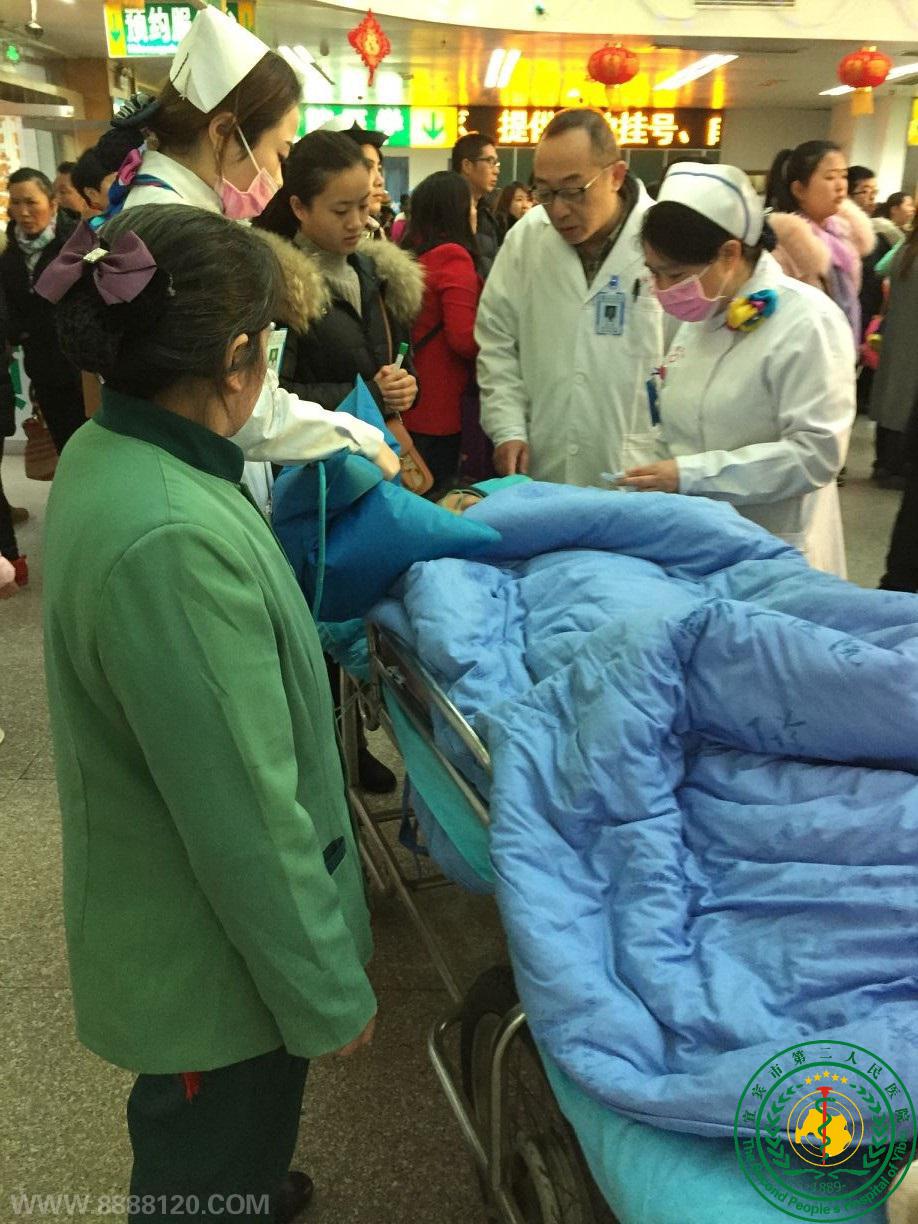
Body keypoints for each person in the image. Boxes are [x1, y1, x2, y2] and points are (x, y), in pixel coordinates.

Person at [37, 204, 377, 1223]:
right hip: (215, 963)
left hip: (182, 906)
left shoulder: (119, 448)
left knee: (229, 1150)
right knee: (204, 1160)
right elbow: (247, 819)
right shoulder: (171, 539)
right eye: (267, 348)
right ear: (236, 361)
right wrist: (327, 991)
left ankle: (243, 1184)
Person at [91, 5, 397, 480]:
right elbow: (243, 408)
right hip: (192, 470)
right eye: (279, 152)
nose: (278, 175)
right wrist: (356, 436)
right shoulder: (186, 237)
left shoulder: (166, 208)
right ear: (224, 133)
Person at [254, 129, 423, 792]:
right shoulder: (280, 287)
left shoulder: (373, 273)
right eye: (340, 209)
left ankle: (357, 736)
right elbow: (269, 394)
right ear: (299, 208)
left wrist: (403, 387)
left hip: (367, 471)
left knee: (367, 606)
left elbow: (389, 363)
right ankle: (328, 752)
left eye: (365, 205)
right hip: (311, 480)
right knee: (318, 617)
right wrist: (360, 398)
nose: (357, 222)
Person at [619, 163, 854, 577]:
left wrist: (691, 475)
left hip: (775, 543)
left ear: (729, 254)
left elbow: (815, 455)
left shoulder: (807, 321)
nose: (663, 289)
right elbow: (676, 425)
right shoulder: (699, 317)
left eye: (675, 274)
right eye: (654, 273)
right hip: (697, 540)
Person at [476, 107, 664, 486]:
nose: (559, 210)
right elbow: (497, 338)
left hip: (637, 465)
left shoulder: (662, 240)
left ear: (616, 176)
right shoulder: (528, 237)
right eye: (545, 192)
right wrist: (508, 426)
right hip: (543, 455)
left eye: (574, 191)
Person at [401, 170, 483, 495]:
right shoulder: (453, 256)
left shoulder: (415, 256)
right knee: (440, 496)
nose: (475, 212)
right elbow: (463, 338)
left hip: (412, 403)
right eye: (472, 205)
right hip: (441, 408)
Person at [1, 168, 86, 454]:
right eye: (15, 203)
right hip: (41, 365)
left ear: (52, 203)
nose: (23, 212)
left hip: (81, 364)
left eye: (31, 202)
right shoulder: (7, 250)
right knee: (65, 445)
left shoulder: (75, 241)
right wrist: (18, 331)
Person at [765, 140, 875, 342]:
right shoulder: (783, 245)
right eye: (830, 177)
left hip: (843, 345)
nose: (841, 186)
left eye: (843, 176)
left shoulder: (844, 236)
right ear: (799, 190)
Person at [869, 224, 918, 504]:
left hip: (897, 333)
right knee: (907, 400)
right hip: (912, 340)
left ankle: (884, 462)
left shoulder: (905, 249)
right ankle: (897, 466)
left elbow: (880, 269)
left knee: (891, 395)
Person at [319, 118, 390, 240]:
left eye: (378, 169)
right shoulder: (321, 242)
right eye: (367, 167)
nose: (380, 181)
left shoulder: (375, 233)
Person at [452, 131, 501, 274]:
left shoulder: (486, 213)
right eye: (490, 162)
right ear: (467, 165)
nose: (496, 171)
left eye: (496, 163)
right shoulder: (447, 212)